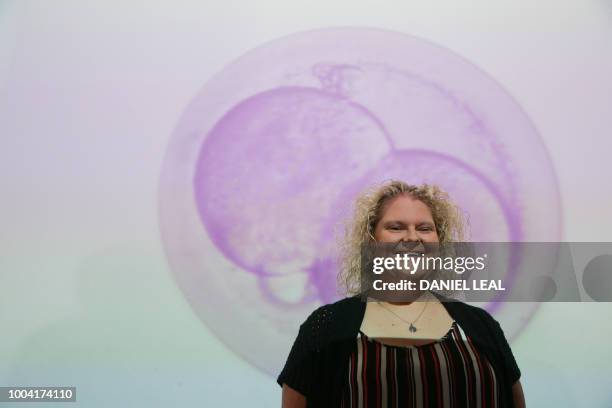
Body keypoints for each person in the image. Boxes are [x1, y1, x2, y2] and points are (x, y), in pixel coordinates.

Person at [277, 180, 526, 407]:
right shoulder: (325, 327)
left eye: (425, 228)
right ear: (371, 242)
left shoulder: (481, 326)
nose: (411, 237)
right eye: (396, 227)